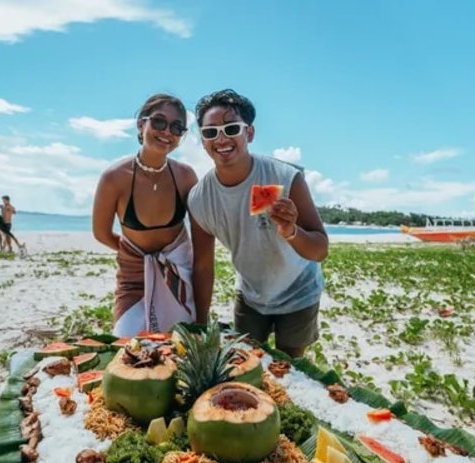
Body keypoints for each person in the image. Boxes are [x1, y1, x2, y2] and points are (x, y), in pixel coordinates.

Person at [188, 89, 329, 358]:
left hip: (299, 290)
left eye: (231, 129)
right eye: (210, 132)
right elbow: (203, 265)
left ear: (249, 134)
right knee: (247, 364)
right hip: (250, 295)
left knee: (289, 367)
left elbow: (320, 249)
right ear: (203, 141)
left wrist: (291, 231)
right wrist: (199, 323)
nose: (221, 139)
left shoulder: (285, 177)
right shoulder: (199, 199)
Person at [92, 93, 199, 337]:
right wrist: (138, 255)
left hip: (178, 278)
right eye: (159, 122)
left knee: (179, 354)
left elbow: (203, 237)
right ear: (142, 124)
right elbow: (100, 233)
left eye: (177, 127)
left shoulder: (185, 177)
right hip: (134, 279)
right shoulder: (114, 177)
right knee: (126, 346)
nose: (167, 132)